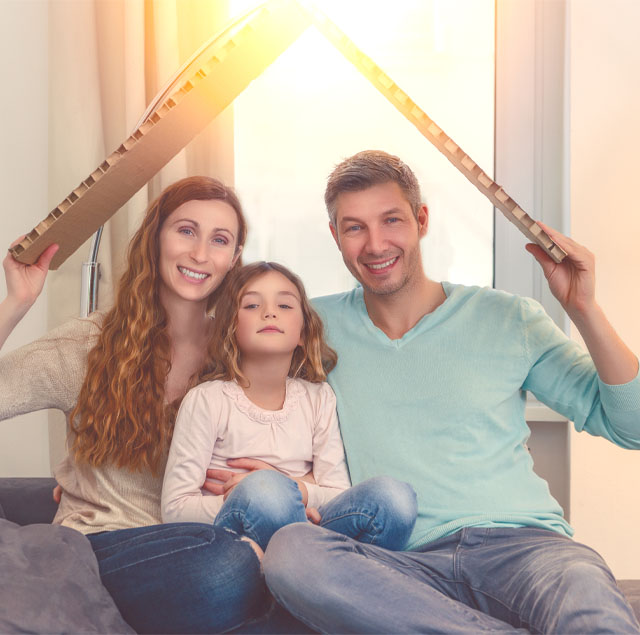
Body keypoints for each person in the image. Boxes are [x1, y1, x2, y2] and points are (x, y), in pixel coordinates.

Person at [262, 150, 640, 633]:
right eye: (354, 227)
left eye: (391, 220)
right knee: (295, 553)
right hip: (400, 565)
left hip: (527, 549)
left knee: (587, 599)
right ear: (335, 237)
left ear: (421, 220)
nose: (375, 244)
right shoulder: (309, 325)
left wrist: (584, 307)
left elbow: (632, 428)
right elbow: (238, 382)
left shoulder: (508, 317)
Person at [0, 176, 284, 633]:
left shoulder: (240, 354)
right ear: (155, 239)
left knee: (249, 567)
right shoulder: (86, 346)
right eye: (186, 231)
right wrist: (17, 301)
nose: (199, 254)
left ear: (233, 260)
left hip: (197, 547)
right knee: (228, 569)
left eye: (219, 240)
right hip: (100, 551)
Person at [161, 261, 417, 552]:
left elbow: (337, 493)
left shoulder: (318, 398)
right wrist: (250, 496)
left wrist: (294, 490)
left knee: (393, 497)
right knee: (267, 493)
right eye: (252, 305)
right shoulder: (208, 400)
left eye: (284, 306)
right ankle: (321, 570)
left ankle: (307, 569)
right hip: (242, 535)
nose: (269, 312)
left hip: (314, 525)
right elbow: (175, 508)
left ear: (303, 334)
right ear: (231, 327)